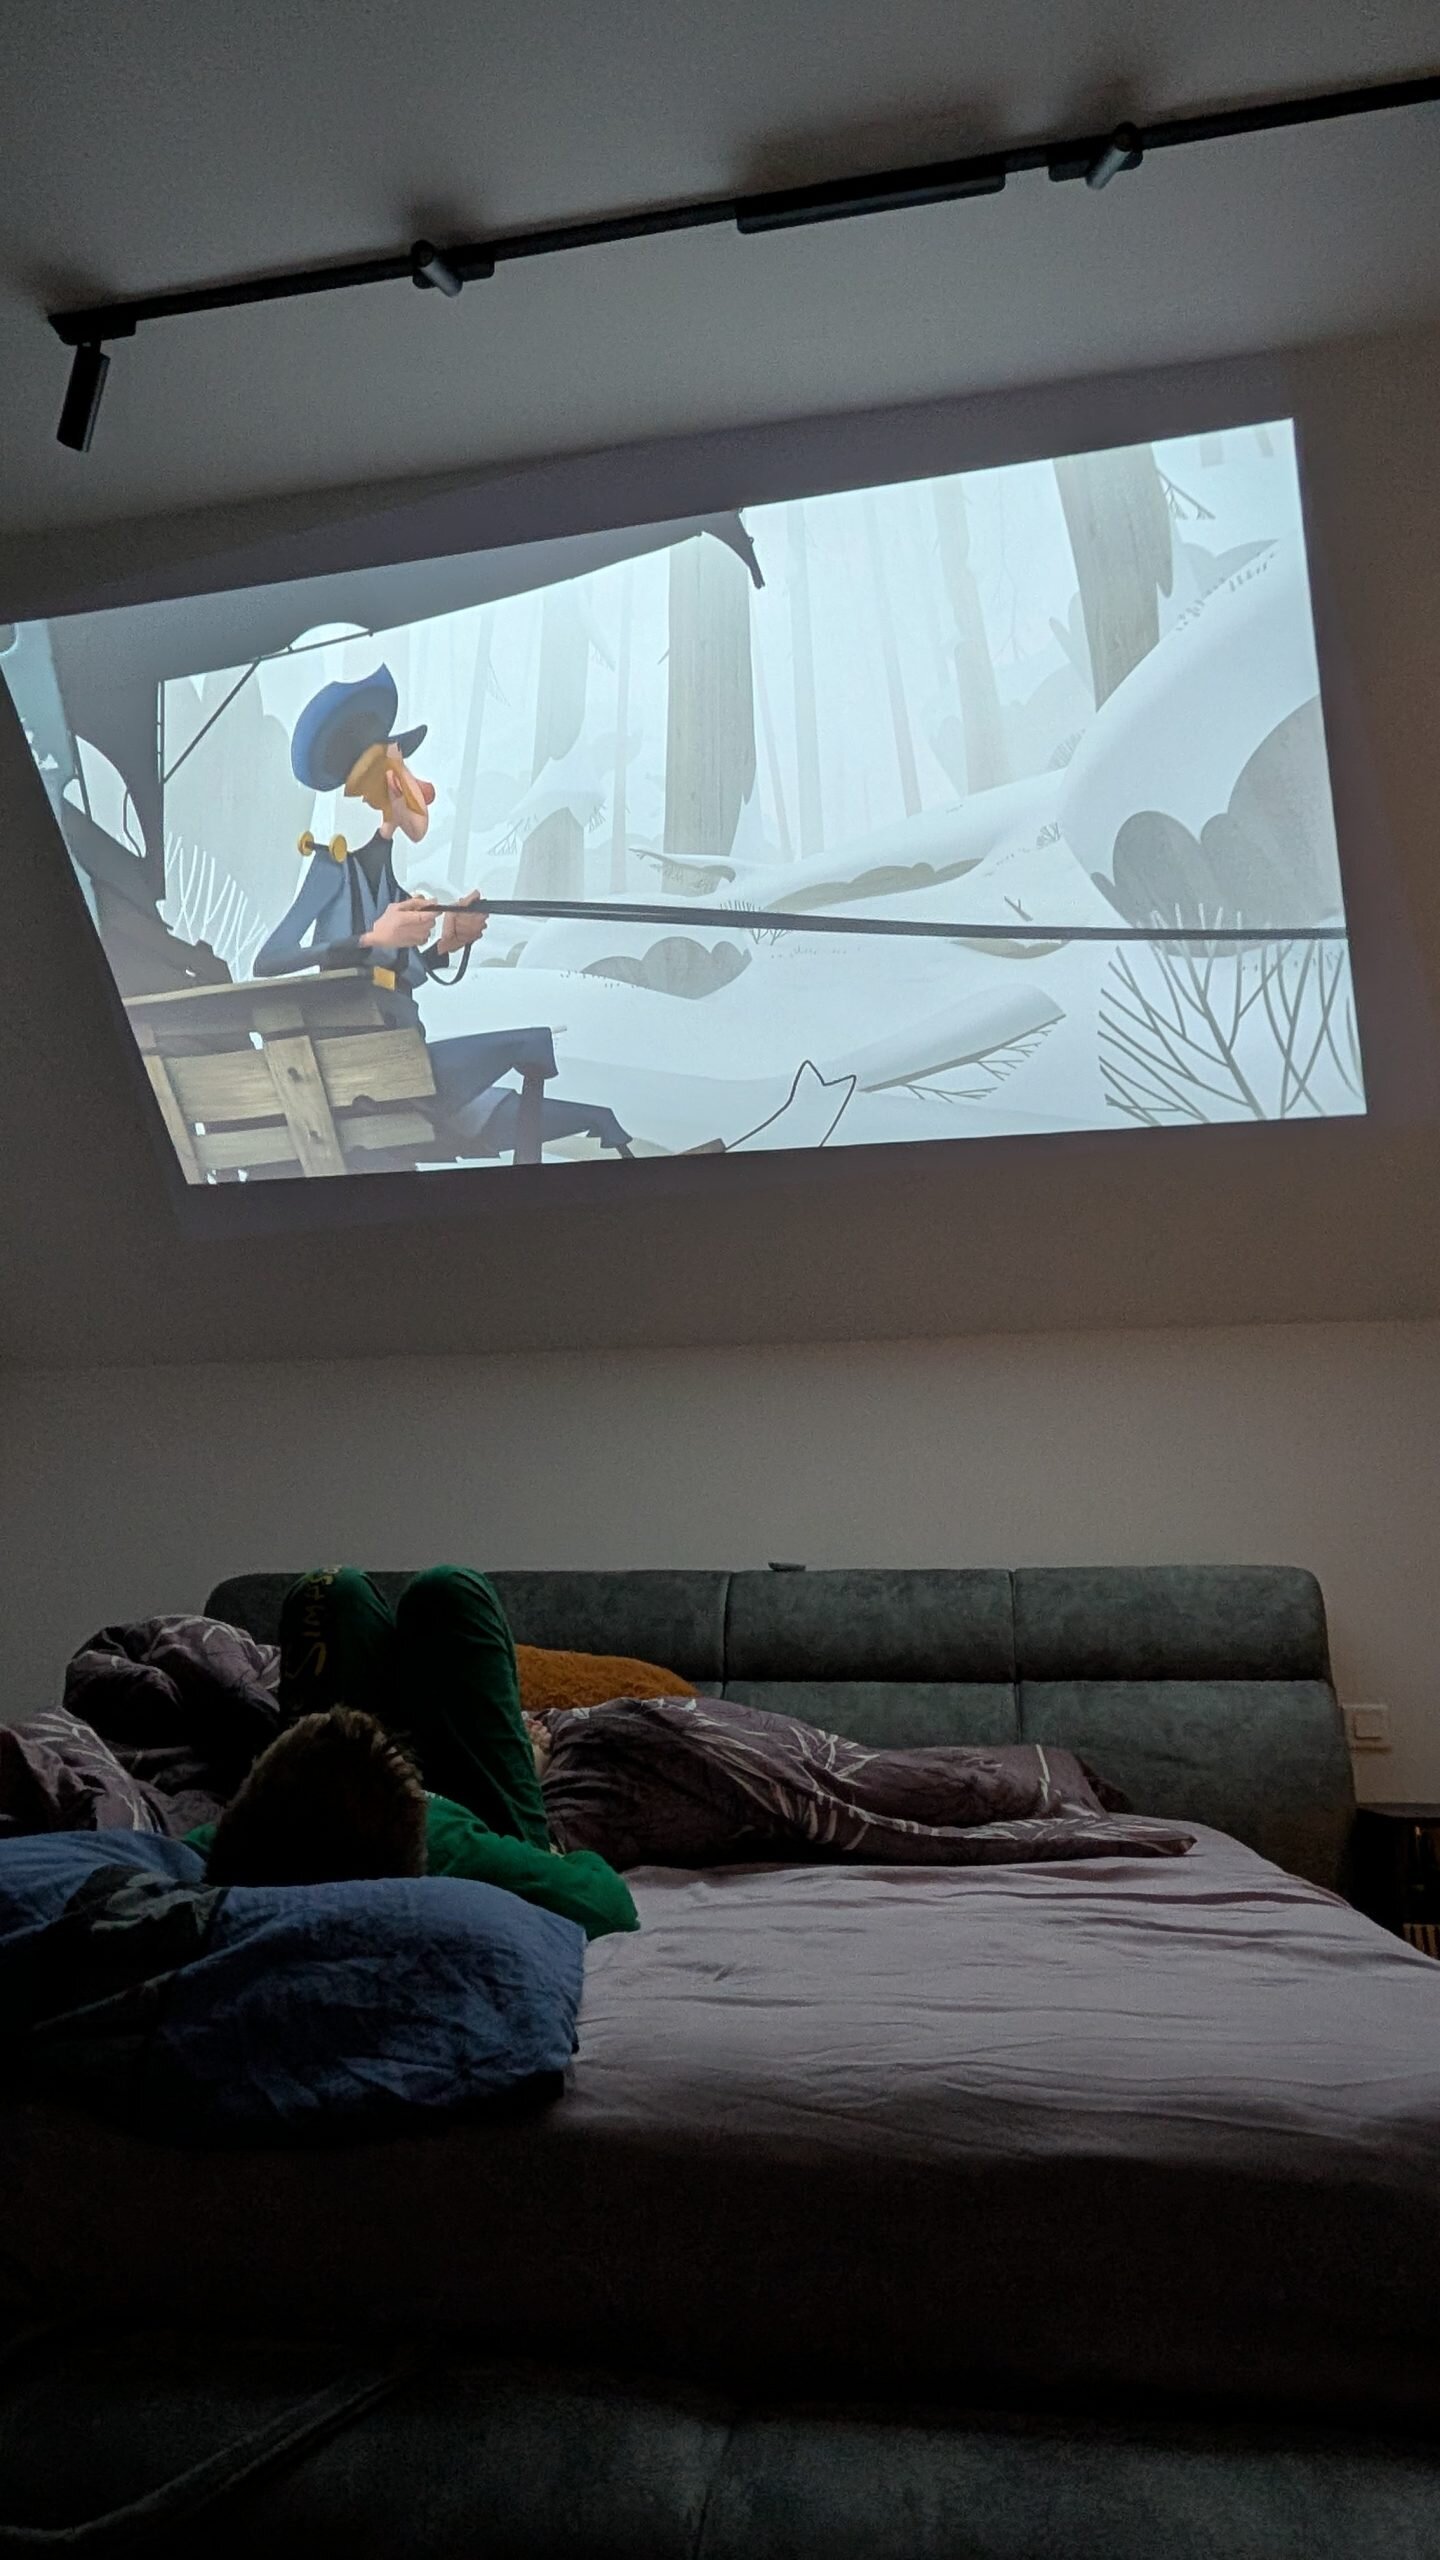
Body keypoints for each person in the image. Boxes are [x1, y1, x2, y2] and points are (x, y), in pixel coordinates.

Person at [255, 664, 631, 1162]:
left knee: (567, 1112)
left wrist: (445, 946)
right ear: (386, 783)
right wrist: (371, 939)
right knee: (527, 1045)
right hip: (363, 1069)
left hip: (401, 1057)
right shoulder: (332, 869)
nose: (423, 791)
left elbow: (394, 972)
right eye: (405, 773)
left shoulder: (391, 886)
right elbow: (269, 960)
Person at [184, 1566, 637, 1943]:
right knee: (449, 1592)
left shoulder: (246, 1834)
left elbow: (166, 1861)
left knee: (329, 1588)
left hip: (310, 1803)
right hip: (431, 1819)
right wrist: (556, 1853)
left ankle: (396, 1727)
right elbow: (609, 1906)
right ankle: (510, 1765)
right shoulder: (446, 1840)